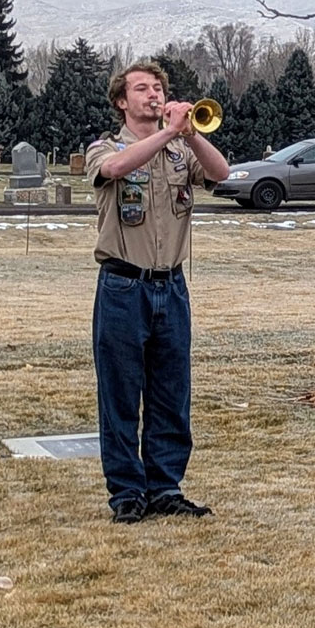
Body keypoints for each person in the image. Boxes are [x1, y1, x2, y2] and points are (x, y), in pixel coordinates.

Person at [85, 60, 230, 524]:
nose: (153, 95)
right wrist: (168, 132)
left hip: (172, 286)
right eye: (142, 89)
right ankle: (127, 492)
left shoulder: (180, 151)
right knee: (121, 395)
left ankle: (165, 487)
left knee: (171, 392)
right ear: (121, 102)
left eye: (158, 89)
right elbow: (116, 168)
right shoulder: (104, 147)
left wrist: (190, 134)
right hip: (123, 286)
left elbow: (222, 173)